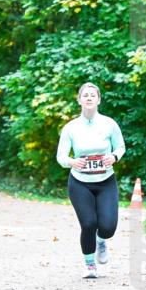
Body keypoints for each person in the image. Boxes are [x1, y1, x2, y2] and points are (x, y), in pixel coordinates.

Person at [56, 82, 126, 279]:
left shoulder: (109, 124)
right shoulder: (71, 127)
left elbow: (120, 147)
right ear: (79, 100)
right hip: (80, 182)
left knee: (108, 227)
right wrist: (72, 161)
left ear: (98, 100)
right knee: (88, 223)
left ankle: (102, 241)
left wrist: (113, 157)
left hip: (106, 181)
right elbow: (61, 156)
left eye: (92, 95)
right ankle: (89, 265)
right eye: (85, 95)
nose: (88, 98)